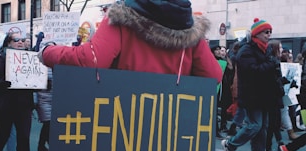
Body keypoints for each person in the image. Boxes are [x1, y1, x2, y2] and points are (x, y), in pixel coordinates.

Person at [39, 1, 222, 86]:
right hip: (170, 127)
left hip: (123, 117)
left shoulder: (121, 19)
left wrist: (47, 51)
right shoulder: (191, 31)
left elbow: (90, 60)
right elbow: (213, 76)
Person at [221, 18, 277, 151]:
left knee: (262, 127)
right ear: (257, 33)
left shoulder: (266, 49)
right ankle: (231, 144)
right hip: (252, 95)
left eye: (270, 31)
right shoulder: (246, 50)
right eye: (266, 32)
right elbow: (253, 71)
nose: (269, 34)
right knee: (254, 125)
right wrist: (270, 64)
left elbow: (267, 69)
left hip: (264, 95)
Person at [264, 39, 286, 151]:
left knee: (275, 122)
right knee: (273, 123)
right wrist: (283, 82)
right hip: (273, 96)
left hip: (273, 95)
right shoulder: (273, 61)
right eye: (280, 47)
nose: (282, 50)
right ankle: (268, 148)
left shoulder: (272, 60)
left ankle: (279, 143)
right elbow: (274, 80)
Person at [36, 67, 53, 151]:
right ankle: (43, 145)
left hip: (53, 99)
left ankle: (42, 145)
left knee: (49, 124)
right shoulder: (42, 68)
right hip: (43, 99)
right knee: (48, 123)